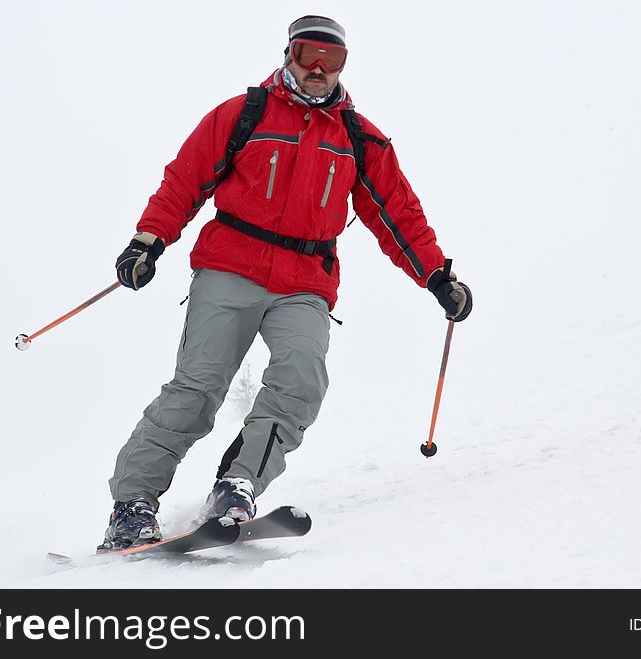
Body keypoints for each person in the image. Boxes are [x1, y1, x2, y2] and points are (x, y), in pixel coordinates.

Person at [99, 15, 473, 551]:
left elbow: (398, 214)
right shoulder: (244, 114)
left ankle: (238, 486)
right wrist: (148, 240)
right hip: (230, 266)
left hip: (305, 281)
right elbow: (185, 179)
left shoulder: (358, 139)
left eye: (333, 60)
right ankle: (131, 506)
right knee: (198, 387)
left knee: (301, 379)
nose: (319, 69)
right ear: (288, 54)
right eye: (307, 55)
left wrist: (438, 276)